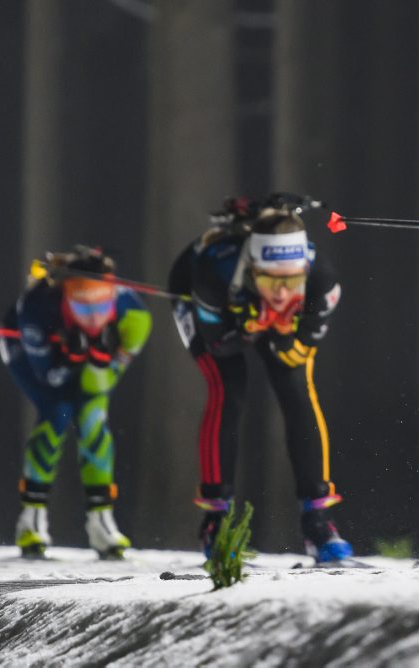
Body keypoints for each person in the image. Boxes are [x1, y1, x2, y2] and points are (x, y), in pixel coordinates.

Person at [168, 194, 351, 563]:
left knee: (298, 391)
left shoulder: (321, 280)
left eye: (291, 280)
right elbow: (219, 347)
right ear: (253, 270)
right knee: (227, 390)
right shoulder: (214, 272)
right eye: (272, 280)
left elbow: (297, 354)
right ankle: (215, 520)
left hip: (252, 314)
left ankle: (318, 518)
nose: (283, 292)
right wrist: (248, 328)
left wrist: (279, 333)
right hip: (205, 298)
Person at [0, 246, 152, 559]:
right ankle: (31, 519)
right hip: (24, 349)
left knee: (92, 419)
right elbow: (48, 378)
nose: (94, 318)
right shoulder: (37, 308)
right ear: (66, 299)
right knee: (57, 412)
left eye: (101, 307)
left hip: (76, 358)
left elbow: (102, 384)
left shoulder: (135, 316)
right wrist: (71, 358)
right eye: (83, 309)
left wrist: (96, 361)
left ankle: (101, 520)